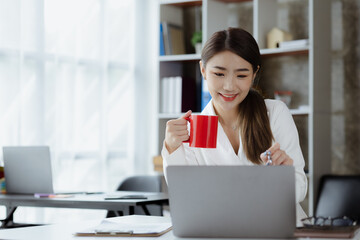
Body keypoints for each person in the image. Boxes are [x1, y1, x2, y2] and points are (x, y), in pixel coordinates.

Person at [161, 27, 307, 225]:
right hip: (223, 231)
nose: (229, 86)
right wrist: (172, 148)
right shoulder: (191, 128)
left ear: (254, 74)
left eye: (241, 75)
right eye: (219, 74)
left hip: (278, 228)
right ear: (203, 70)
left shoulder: (275, 113)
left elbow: (300, 189)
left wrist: (281, 176)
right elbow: (186, 196)